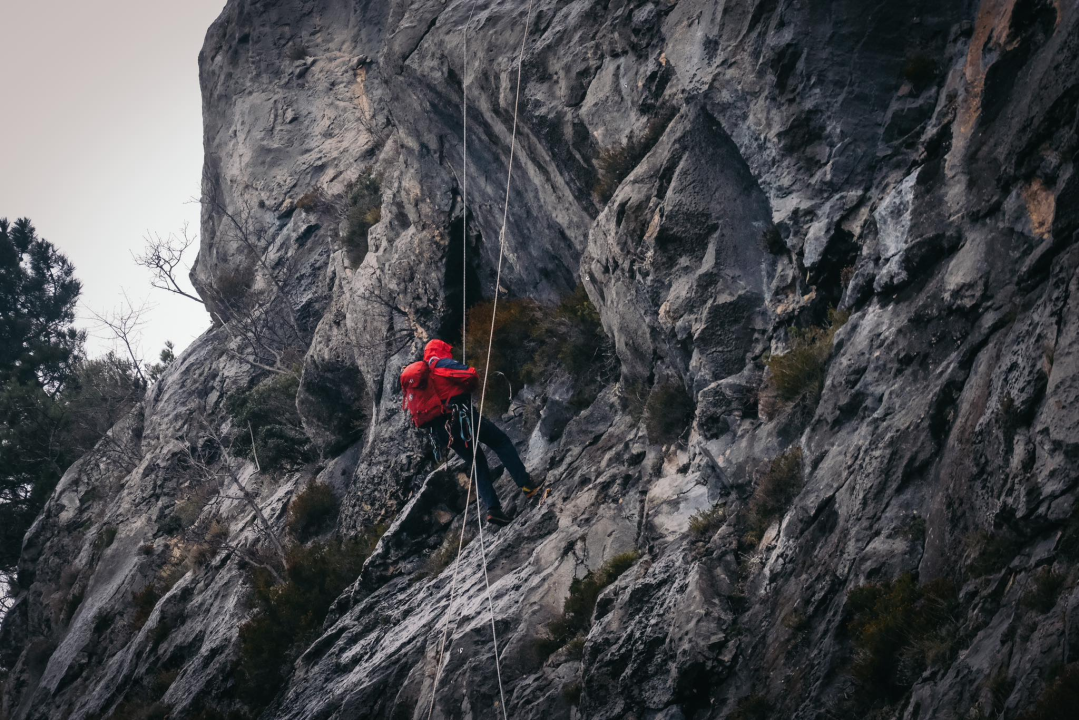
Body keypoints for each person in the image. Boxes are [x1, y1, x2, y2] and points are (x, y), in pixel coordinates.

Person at [400, 339, 541, 526]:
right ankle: (527, 485)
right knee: (500, 442)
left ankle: (494, 510)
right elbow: (469, 375)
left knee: (477, 463)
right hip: (461, 418)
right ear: (442, 350)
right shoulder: (440, 363)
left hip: (442, 432)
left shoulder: (421, 382)